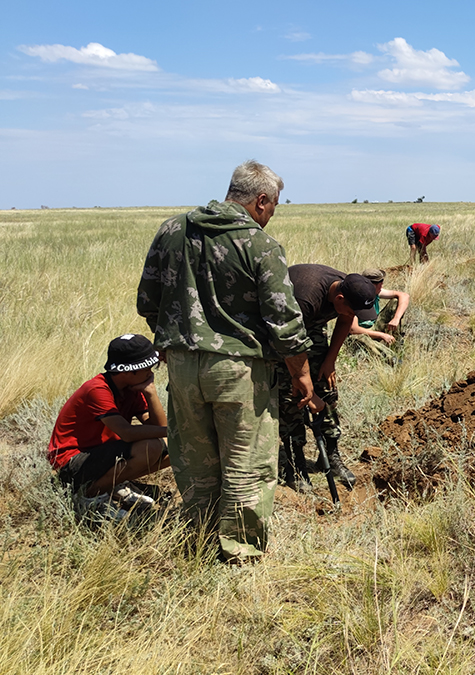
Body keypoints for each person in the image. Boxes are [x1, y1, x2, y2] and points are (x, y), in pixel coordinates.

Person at [137, 159, 315, 563]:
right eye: (272, 208)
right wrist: (301, 374)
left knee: (196, 461)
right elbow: (284, 321)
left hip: (181, 368)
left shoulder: (171, 230)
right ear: (261, 200)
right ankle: (239, 552)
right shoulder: (259, 244)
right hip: (239, 372)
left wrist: (176, 339)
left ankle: (197, 541)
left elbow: (147, 301)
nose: (269, 216)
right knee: (245, 462)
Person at [277, 265, 378, 493]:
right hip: (281, 334)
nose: (354, 316)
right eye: (351, 310)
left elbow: (345, 320)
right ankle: (296, 463)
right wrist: (306, 388)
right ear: (339, 298)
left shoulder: (349, 289)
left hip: (311, 326)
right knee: (292, 396)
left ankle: (330, 457)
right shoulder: (306, 297)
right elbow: (288, 342)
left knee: (327, 389)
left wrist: (329, 360)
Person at [47, 334, 170, 515]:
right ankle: (88, 496)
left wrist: (151, 392)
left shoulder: (132, 389)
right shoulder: (97, 389)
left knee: (174, 448)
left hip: (102, 454)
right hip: (70, 461)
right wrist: (173, 431)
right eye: (148, 367)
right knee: (151, 447)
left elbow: (158, 427)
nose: (151, 372)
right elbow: (126, 432)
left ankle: (111, 484)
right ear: (128, 371)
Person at [350, 268, 410, 344]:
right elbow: (353, 329)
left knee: (395, 301)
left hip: (375, 325)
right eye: (379, 283)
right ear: (370, 285)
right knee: (362, 340)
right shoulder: (355, 297)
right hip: (362, 332)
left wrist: (396, 318)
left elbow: (404, 296)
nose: (382, 285)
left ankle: (396, 342)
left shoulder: (377, 292)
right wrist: (382, 335)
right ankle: (388, 354)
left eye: (382, 281)